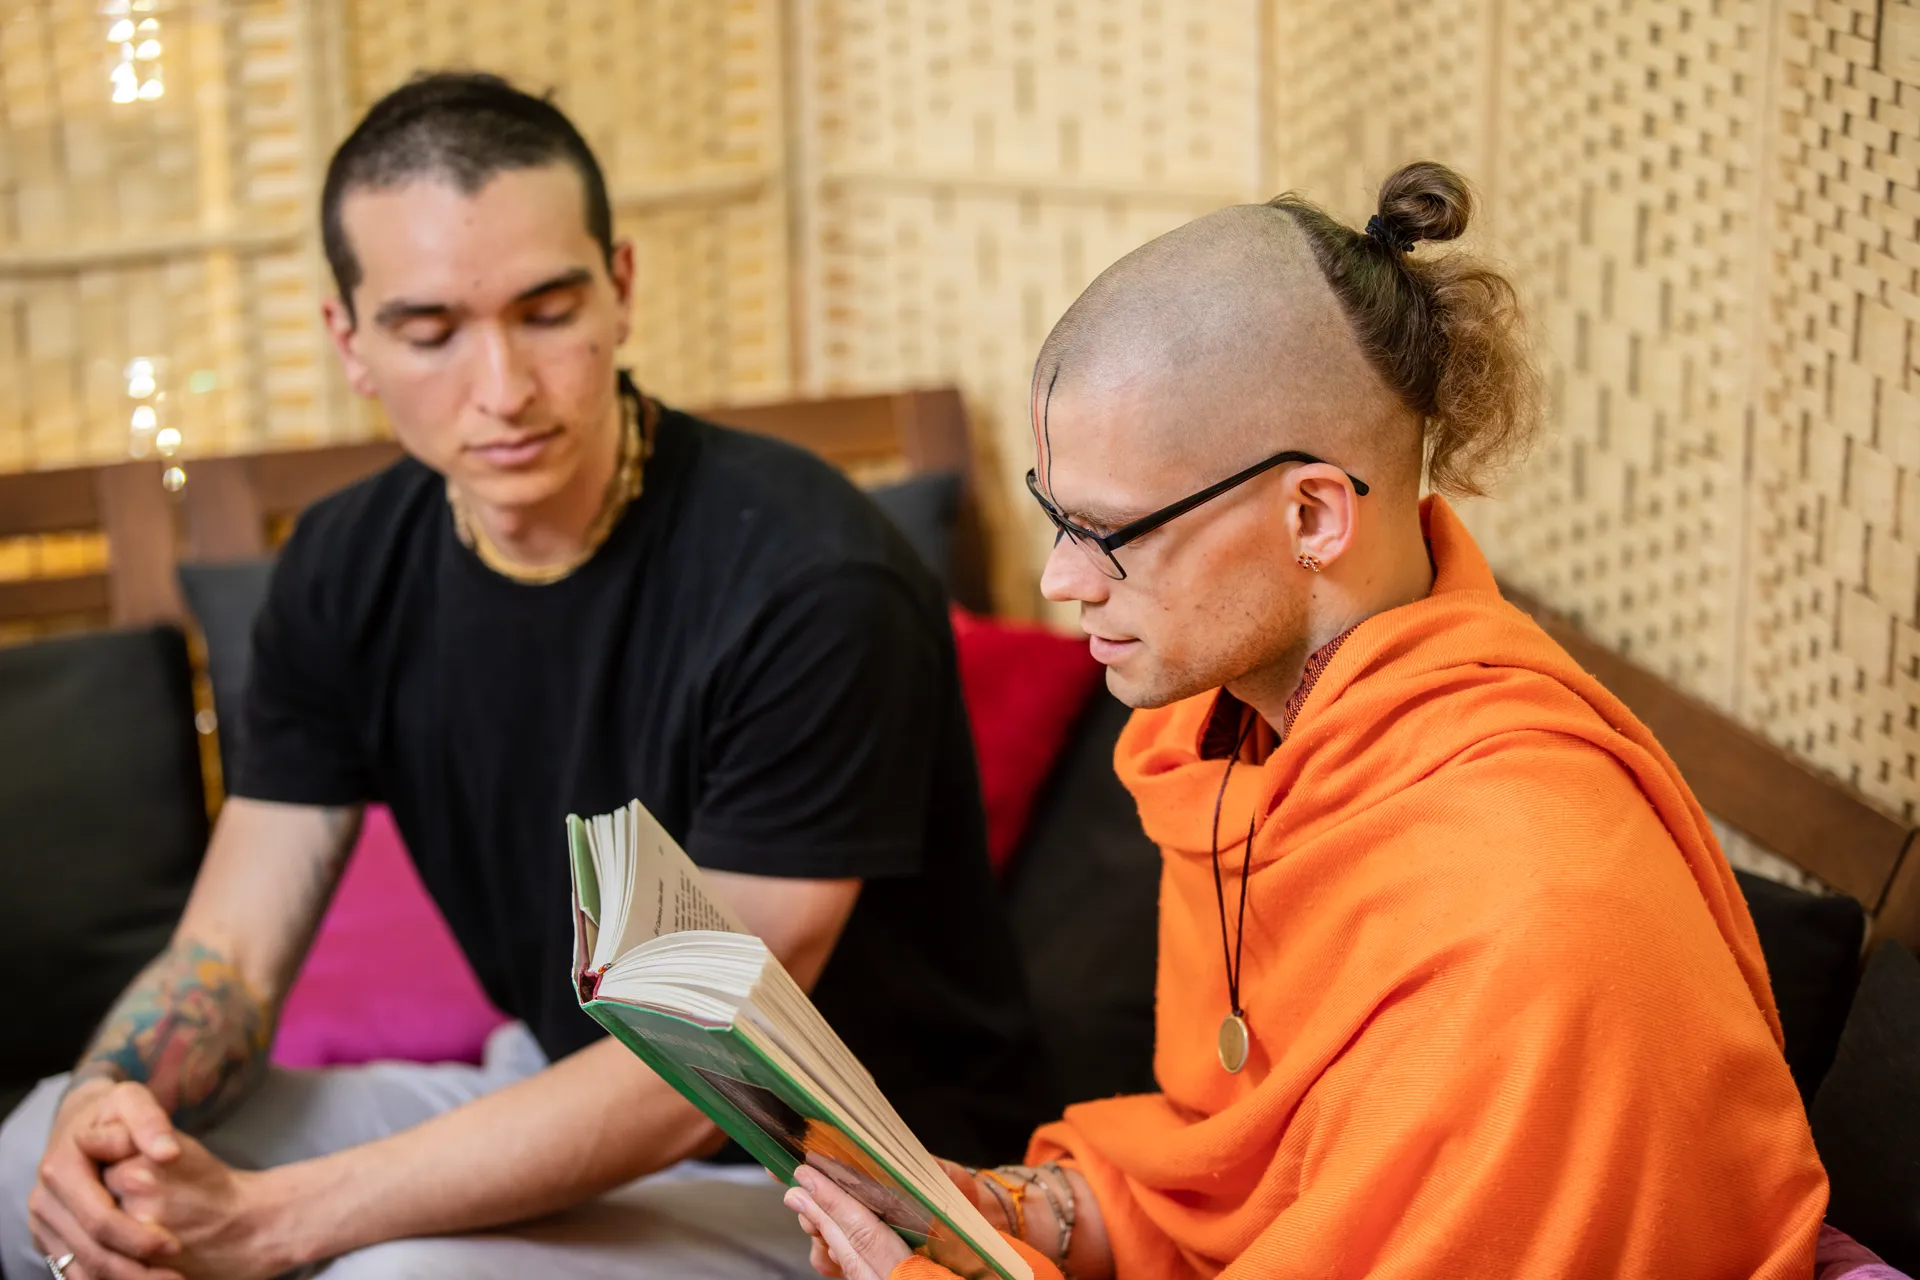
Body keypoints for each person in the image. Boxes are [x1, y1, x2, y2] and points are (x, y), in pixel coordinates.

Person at [0, 71, 1048, 1280]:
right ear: (350, 341)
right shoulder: (343, 566)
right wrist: (112, 1096)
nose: (501, 389)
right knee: (44, 1153)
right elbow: (227, 954)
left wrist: (278, 1216)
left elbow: (705, 1078)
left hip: (841, 1174)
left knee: (403, 1276)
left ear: (623, 289)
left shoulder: (811, 580)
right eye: (430, 330)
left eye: (547, 310)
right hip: (552, 1079)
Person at [785, 161, 1829, 1279]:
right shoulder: (1236, 747)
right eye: (1054, 515)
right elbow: (1232, 1193)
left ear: (1315, 514)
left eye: (1105, 530)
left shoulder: (1528, 912)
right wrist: (999, 1208)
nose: (1057, 579)